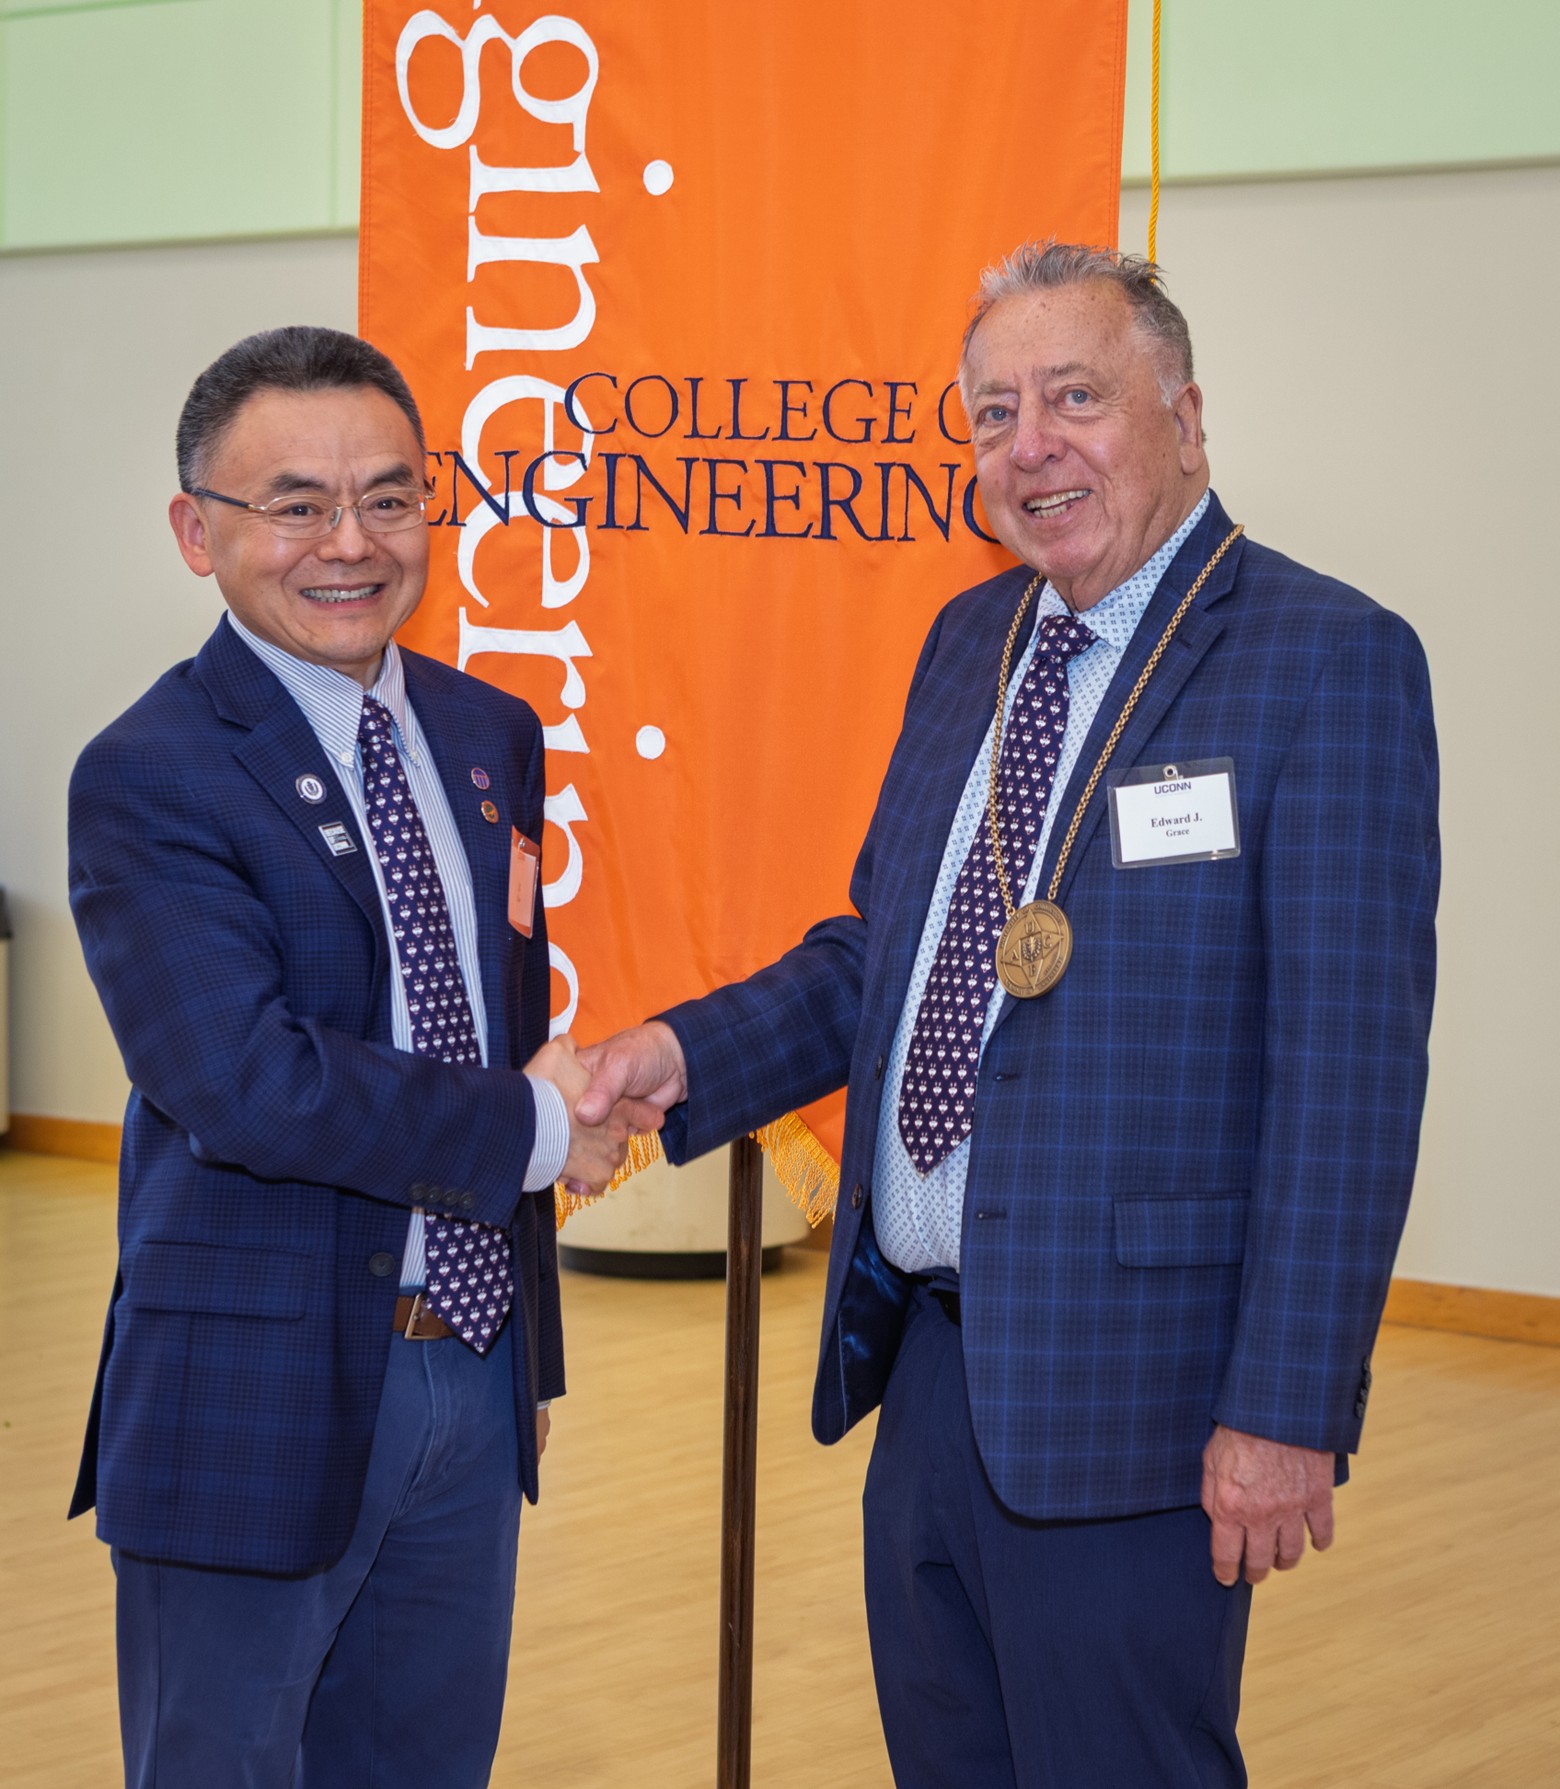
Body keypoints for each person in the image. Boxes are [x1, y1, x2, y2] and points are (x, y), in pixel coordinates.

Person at [576, 243, 1440, 1786]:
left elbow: (1352, 1073)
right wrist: (679, 1054)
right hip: (926, 1376)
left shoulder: (1327, 661)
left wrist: (1288, 1406)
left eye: (1074, 397)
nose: (1028, 444)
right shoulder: (969, 643)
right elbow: (884, 961)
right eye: (991, 414)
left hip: (1145, 1406)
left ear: (1185, 414)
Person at [67, 325, 658, 1789]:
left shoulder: (488, 732)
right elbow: (244, 1080)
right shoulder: (150, 774)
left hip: (472, 1361)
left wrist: (565, 1105)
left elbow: (493, 1007)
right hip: (254, 1393)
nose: (351, 542)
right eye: (296, 504)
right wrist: (531, 1129)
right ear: (196, 530)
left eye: (391, 498)